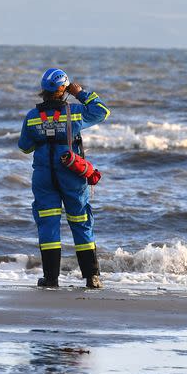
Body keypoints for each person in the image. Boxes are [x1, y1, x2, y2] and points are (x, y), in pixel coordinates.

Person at [18, 68, 111, 288]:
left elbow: (24, 147)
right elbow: (102, 111)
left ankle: (51, 279)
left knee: (48, 224)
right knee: (81, 222)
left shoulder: (32, 117)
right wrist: (80, 93)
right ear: (64, 89)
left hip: (43, 176)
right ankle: (92, 277)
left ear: (43, 89)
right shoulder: (76, 112)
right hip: (71, 172)